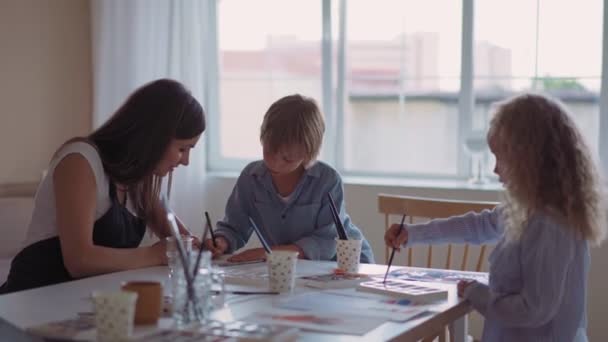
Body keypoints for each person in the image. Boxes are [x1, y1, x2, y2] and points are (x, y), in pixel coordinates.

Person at [385, 93, 605, 342]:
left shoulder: (549, 222)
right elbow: (479, 225)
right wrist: (412, 234)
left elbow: (534, 310)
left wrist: (475, 293)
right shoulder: (530, 207)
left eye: (501, 157)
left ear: (529, 160)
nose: (495, 168)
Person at [0, 79, 205, 294]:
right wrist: (155, 255)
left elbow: (179, 240)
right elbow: (79, 260)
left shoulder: (139, 178)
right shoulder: (80, 161)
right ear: (155, 137)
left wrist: (201, 247)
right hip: (27, 301)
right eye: (183, 149)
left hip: (80, 303)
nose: (185, 161)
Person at [205, 94, 374, 263]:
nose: (275, 163)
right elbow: (234, 226)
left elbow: (326, 241)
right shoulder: (251, 178)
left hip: (346, 266)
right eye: (269, 151)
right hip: (292, 269)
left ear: (308, 155)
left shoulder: (327, 180)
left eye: (288, 159)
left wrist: (269, 253)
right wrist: (221, 242)